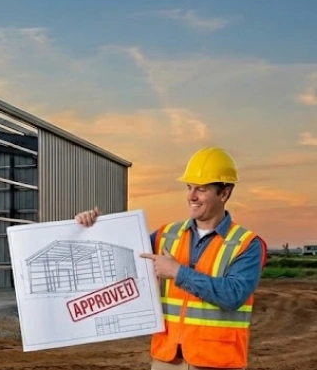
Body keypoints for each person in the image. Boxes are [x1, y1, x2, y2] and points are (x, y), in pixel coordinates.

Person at [75, 147, 267, 370]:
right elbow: (121, 255)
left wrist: (178, 272)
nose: (191, 196)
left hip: (216, 362)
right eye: (189, 187)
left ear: (224, 193)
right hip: (167, 359)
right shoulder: (166, 234)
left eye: (201, 190)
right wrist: (92, 228)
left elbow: (233, 295)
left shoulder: (247, 244)